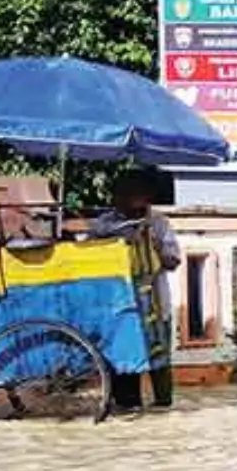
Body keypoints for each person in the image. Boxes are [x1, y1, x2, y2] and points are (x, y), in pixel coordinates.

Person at [85, 167, 181, 411]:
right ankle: (128, 405)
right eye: (129, 195)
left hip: (156, 304)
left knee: (159, 363)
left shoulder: (159, 223)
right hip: (119, 305)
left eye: (140, 196)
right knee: (122, 360)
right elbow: (87, 258)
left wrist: (156, 245)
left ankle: (163, 406)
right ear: (118, 197)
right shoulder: (103, 225)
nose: (135, 202)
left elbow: (173, 261)